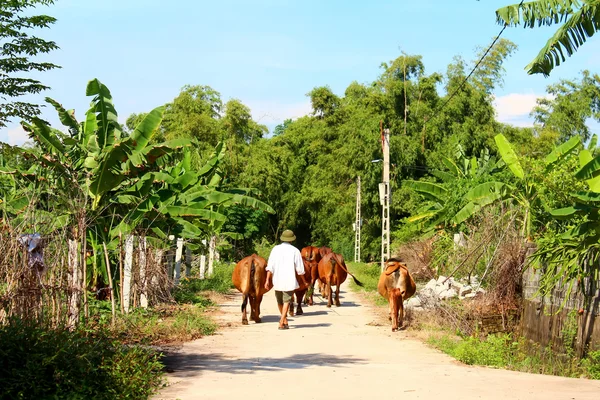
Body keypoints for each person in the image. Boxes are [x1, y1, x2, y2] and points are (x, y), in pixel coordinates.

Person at [265, 229, 307, 330]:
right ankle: (282, 321)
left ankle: (283, 321)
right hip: (289, 280)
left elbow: (270, 266)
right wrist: (304, 281)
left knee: (280, 302)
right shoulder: (295, 251)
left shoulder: (275, 249)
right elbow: (300, 269)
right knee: (286, 301)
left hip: (277, 280)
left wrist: (267, 280)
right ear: (292, 240)